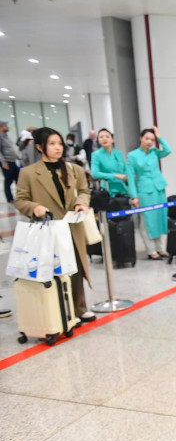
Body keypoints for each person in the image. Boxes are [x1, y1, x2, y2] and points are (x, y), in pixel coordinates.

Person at [14, 127, 97, 326]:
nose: (57, 148)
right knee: (55, 270)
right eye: (52, 144)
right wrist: (35, 207)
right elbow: (20, 200)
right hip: (48, 228)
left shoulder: (73, 169)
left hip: (72, 227)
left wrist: (81, 203)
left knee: (75, 266)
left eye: (59, 143)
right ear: (40, 147)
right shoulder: (29, 173)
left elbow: (85, 191)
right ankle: (62, 312)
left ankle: (80, 307)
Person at [127, 127, 171, 260]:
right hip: (145, 191)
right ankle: (151, 250)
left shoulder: (155, 152)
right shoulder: (133, 155)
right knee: (147, 221)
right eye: (147, 138)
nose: (149, 142)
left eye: (152, 139)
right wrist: (134, 196)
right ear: (141, 138)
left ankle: (160, 248)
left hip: (159, 189)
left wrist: (159, 137)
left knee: (160, 219)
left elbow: (168, 150)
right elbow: (130, 176)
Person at [90, 128, 131, 196]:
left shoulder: (118, 153)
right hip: (108, 190)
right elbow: (94, 174)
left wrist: (127, 177)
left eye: (107, 136)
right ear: (98, 140)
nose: (104, 139)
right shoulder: (96, 155)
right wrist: (115, 175)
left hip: (123, 188)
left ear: (112, 139)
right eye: (101, 137)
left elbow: (125, 169)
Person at [0, 120, 21, 202]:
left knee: (18, 179)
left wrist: (19, 158)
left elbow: (12, 149)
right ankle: (10, 199)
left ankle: (20, 197)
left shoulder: (7, 136)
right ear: (1, 127)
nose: (7, 127)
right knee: (8, 181)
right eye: (5, 125)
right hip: (7, 162)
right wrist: (3, 163)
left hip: (13, 161)